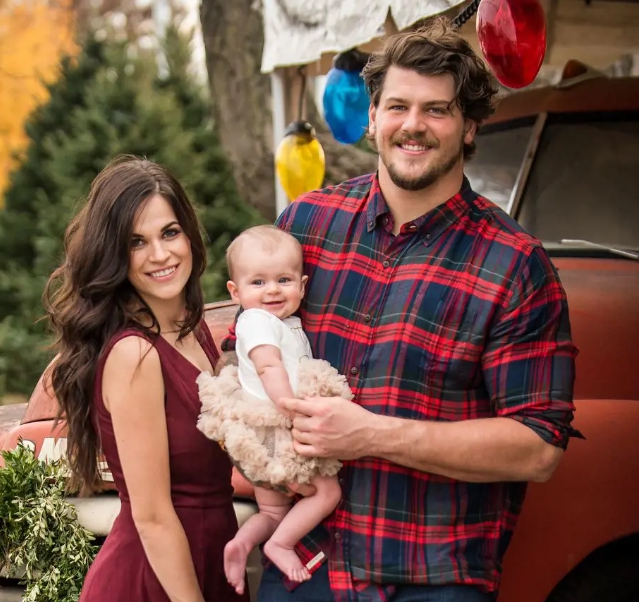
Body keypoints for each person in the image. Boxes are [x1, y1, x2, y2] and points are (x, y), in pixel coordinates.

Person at [225, 17, 582, 602]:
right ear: (371, 119)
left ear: (469, 127)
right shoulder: (304, 226)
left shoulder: (515, 265)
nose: (412, 126)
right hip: (306, 568)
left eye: (436, 111)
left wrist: (374, 435)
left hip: (431, 579)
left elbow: (539, 446)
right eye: (397, 106)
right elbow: (242, 355)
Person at [43, 155, 248, 602]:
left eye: (169, 232)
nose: (160, 254)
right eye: (137, 242)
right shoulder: (134, 354)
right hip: (155, 581)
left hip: (209, 561)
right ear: (115, 255)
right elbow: (153, 517)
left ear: (189, 234)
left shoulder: (194, 331)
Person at [196, 225, 352, 594]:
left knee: (272, 512)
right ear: (235, 291)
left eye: (283, 280)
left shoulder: (284, 322)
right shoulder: (257, 321)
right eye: (258, 282)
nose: (272, 290)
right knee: (327, 493)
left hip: (263, 435)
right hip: (278, 429)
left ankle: (242, 543)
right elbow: (269, 367)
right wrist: (291, 407)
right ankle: (279, 544)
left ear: (302, 284)